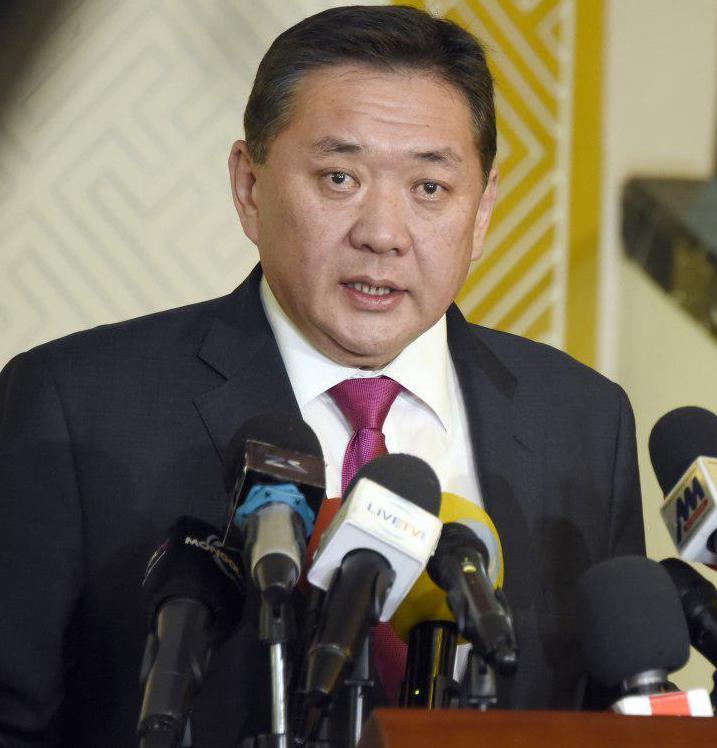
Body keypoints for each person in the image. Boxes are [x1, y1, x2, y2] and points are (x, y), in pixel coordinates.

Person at [0, 5, 644, 746]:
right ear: (249, 186)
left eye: (430, 188)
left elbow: (613, 717)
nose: (383, 234)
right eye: (340, 178)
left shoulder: (583, 423)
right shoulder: (76, 408)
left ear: (483, 210)